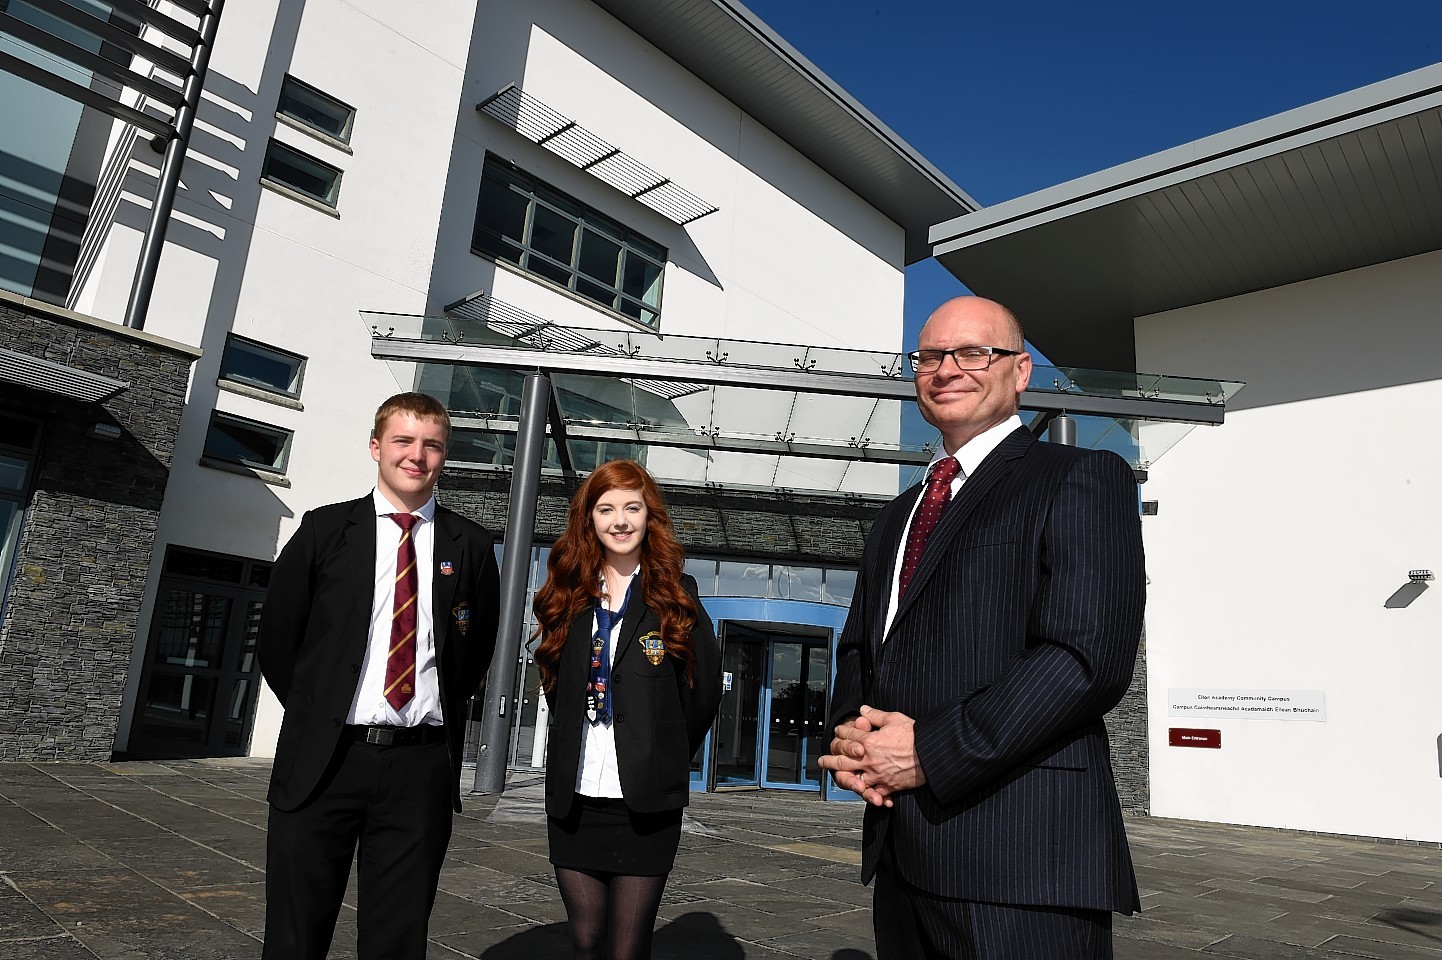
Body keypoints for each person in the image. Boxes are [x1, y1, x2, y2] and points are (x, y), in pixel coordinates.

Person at [819, 297, 1145, 959]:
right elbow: (863, 646)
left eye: (973, 353)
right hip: (901, 854)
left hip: (1020, 860)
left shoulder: (1081, 478)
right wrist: (853, 733)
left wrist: (928, 752)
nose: (947, 370)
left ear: (1020, 372)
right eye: (931, 356)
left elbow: (1085, 659)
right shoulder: (899, 514)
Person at [257, 391, 500, 960]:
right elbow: (276, 641)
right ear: (376, 447)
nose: (417, 455)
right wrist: (318, 712)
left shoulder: (470, 545)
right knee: (295, 935)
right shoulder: (323, 531)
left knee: (397, 939)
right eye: (404, 441)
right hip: (324, 760)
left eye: (432, 445)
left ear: (444, 455)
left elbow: (475, 650)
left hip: (420, 768)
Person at [532, 459, 722, 960]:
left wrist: (665, 750)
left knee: (627, 949)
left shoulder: (677, 596)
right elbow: (554, 681)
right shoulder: (565, 595)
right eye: (606, 508)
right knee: (587, 940)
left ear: (648, 516)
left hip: (645, 804)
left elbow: (702, 693)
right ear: (589, 519)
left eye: (631, 508)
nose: (619, 520)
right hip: (575, 802)